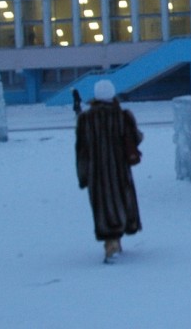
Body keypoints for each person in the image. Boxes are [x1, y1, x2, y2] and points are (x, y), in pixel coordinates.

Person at [75, 79, 143, 262]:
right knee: (121, 202)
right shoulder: (123, 116)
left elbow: (81, 150)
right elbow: (136, 138)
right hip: (120, 171)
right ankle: (116, 241)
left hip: (97, 174)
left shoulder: (85, 119)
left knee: (103, 207)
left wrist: (83, 176)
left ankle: (111, 242)